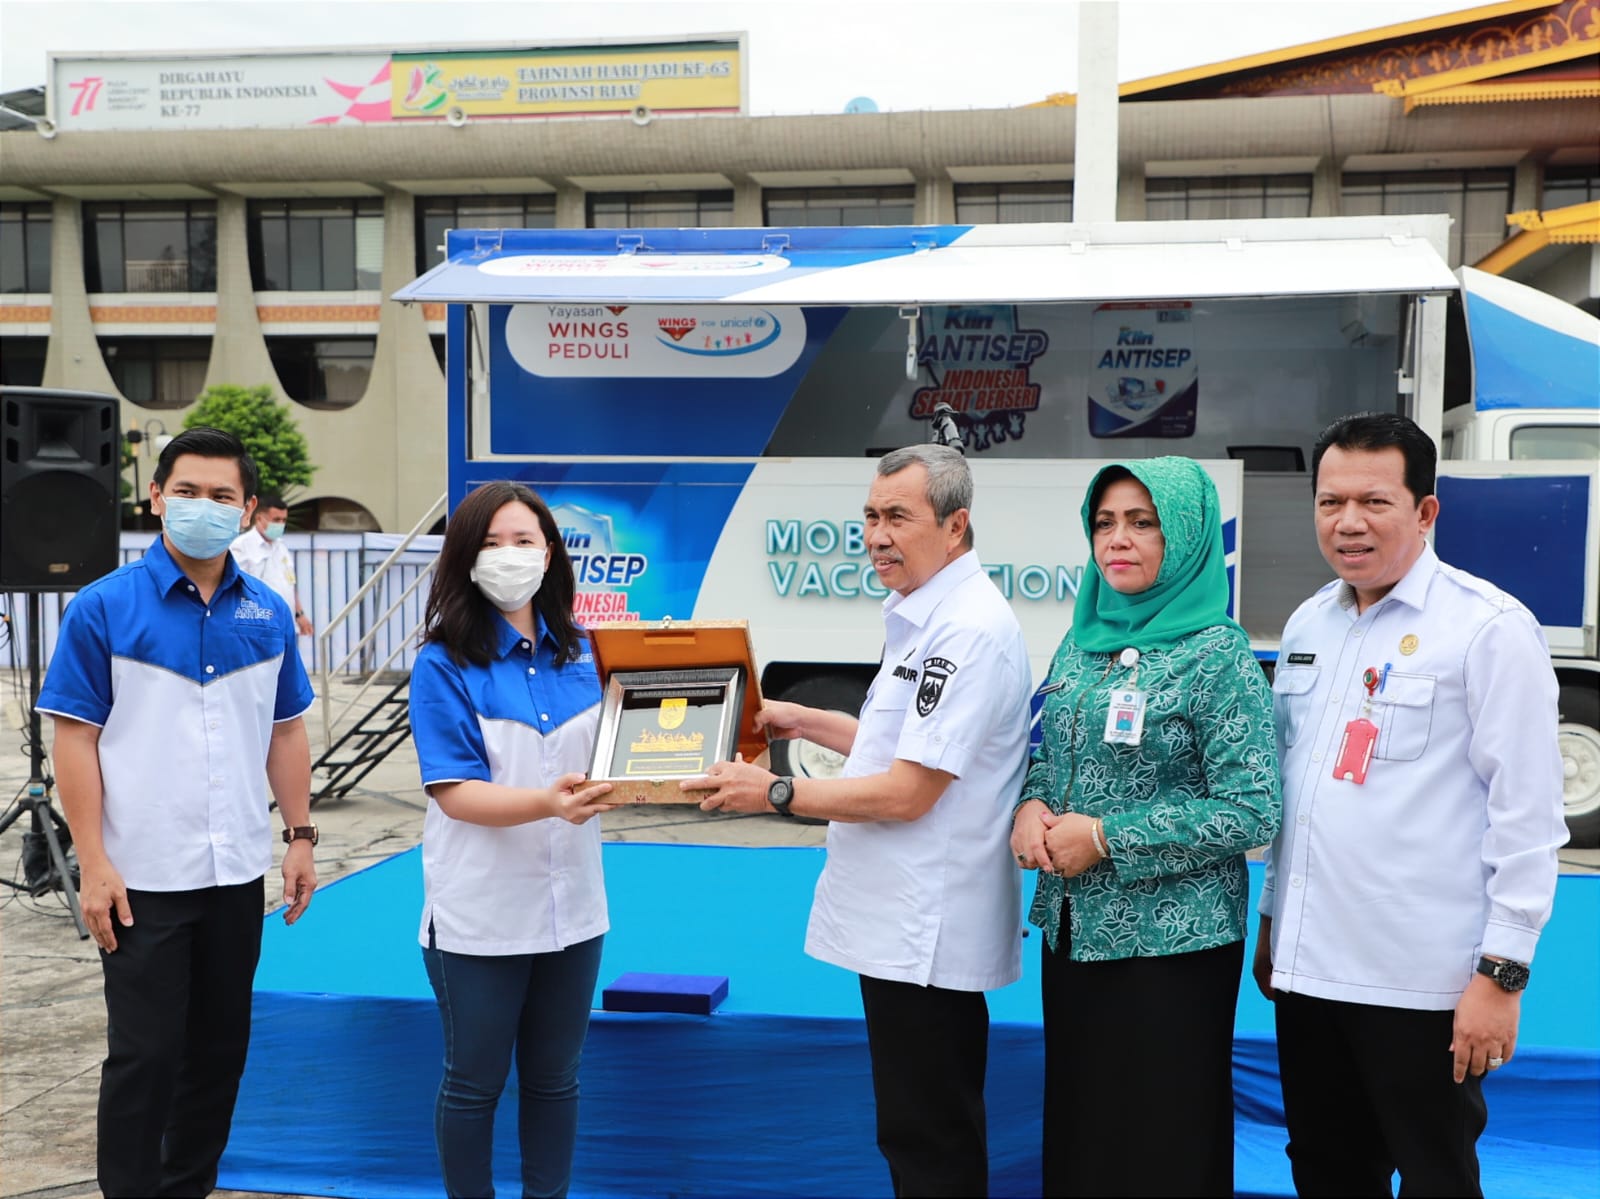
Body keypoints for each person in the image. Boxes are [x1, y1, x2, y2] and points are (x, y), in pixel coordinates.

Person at [680, 444, 1031, 1198]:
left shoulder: (966, 630)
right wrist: (799, 718)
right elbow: (893, 742)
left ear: (956, 524)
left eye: (897, 516)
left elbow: (908, 791)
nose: (876, 534)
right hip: (901, 923)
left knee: (929, 1139)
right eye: (871, 515)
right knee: (913, 1131)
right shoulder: (926, 612)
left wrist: (774, 793)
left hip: (926, 931)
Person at [1253, 412, 1566, 1197]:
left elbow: (1528, 819)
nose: (1347, 522)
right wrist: (1270, 922)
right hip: (1309, 977)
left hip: (1420, 984)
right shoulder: (1308, 623)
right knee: (1325, 1172)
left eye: (1374, 501)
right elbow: (1297, 794)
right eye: (1330, 502)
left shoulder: (1489, 630)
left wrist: (1502, 974)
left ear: (1426, 511)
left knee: (1436, 1175)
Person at [37, 426, 318, 1197]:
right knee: (147, 1054)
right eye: (187, 490)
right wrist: (92, 860)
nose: (203, 506)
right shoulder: (103, 608)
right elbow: (75, 739)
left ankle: (187, 1185)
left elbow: (286, 728)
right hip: (141, 878)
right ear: (155, 496)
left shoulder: (265, 612)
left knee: (219, 1050)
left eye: (222, 495)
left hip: (234, 875)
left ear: (249, 509)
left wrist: (299, 836)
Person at [1010, 456, 1280, 1198]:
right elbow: (1053, 756)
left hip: (1173, 944)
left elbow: (1252, 806)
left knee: (1162, 1137)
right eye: (1104, 522)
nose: (1117, 540)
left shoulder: (1218, 653)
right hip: (1074, 931)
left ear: (1185, 533)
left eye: (1141, 521)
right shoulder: (1082, 637)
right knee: (1083, 1128)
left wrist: (1107, 837)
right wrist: (1030, 804)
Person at [407, 480, 617, 1199]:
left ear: (551, 552)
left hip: (574, 908)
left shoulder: (587, 652)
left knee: (556, 1079)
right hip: (481, 914)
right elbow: (455, 793)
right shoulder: (443, 663)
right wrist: (548, 802)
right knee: (474, 1082)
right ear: (465, 558)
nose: (509, 555)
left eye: (524, 539)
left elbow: (626, 750)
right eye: (491, 542)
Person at [230, 492, 313, 635]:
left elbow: (289, 583)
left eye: (283, 520)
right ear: (259, 518)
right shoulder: (241, 547)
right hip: (257, 628)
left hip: (285, 625)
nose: (280, 524)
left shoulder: (281, 547)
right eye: (276, 519)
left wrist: (299, 614)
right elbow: (234, 589)